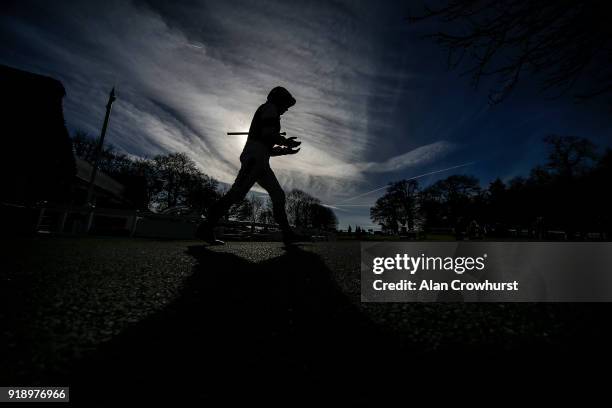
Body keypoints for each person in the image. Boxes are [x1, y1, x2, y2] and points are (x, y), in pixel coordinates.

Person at [197, 86, 302, 245]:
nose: (287, 109)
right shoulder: (270, 109)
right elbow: (268, 136)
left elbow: (266, 145)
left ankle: (287, 234)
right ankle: (205, 227)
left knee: (278, 194)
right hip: (254, 159)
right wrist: (284, 141)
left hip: (261, 161)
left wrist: (284, 150)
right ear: (278, 99)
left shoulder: (269, 110)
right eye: (286, 104)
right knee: (237, 194)